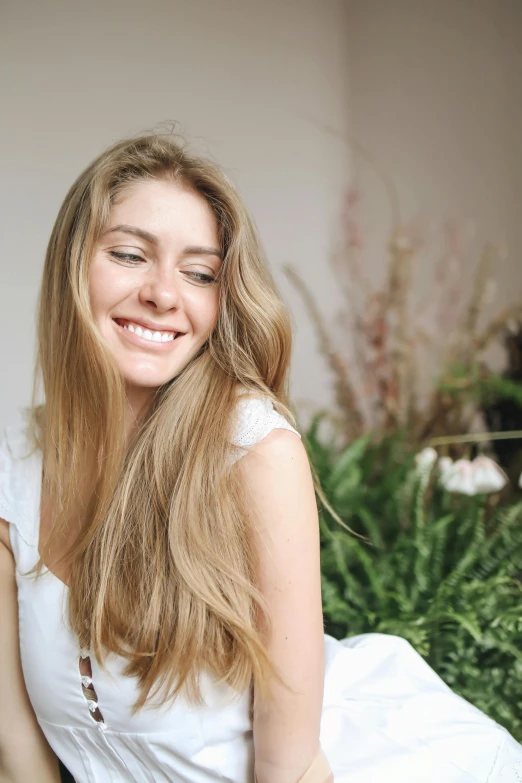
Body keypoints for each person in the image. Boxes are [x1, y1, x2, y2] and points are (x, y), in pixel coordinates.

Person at [0, 133, 520, 783]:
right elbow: (18, 749)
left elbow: (290, 766)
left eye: (199, 272)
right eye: (131, 254)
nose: (165, 293)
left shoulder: (251, 449)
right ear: (71, 266)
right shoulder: (15, 472)